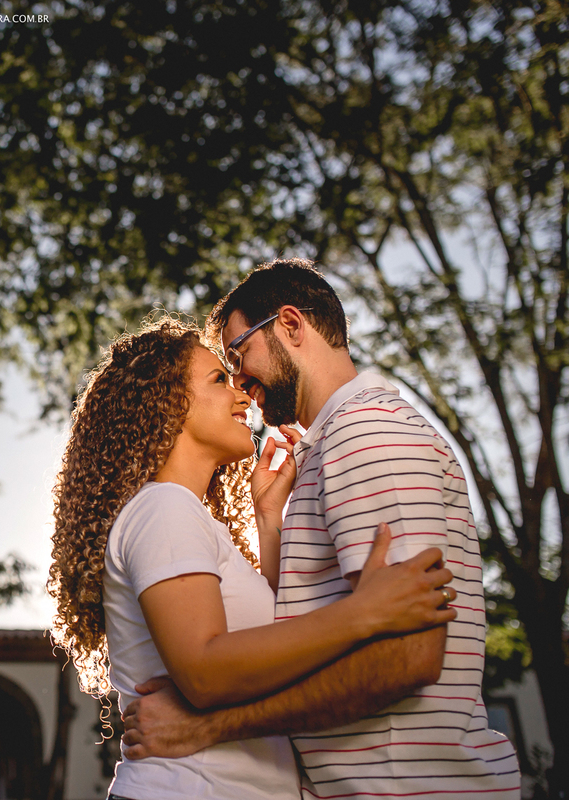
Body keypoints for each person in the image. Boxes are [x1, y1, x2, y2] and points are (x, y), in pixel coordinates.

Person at [120, 259, 520, 798]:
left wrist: (210, 725)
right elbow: (317, 630)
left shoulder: (366, 432)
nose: (241, 383)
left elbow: (407, 655)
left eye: (238, 355)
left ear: (290, 324)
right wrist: (270, 524)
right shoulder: (328, 449)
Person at [47, 312, 458, 800]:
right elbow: (204, 670)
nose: (242, 394)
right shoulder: (163, 508)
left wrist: (268, 518)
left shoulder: (186, 516)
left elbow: (280, 641)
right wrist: (364, 612)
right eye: (220, 379)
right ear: (167, 403)